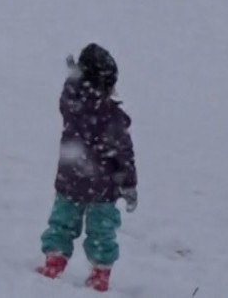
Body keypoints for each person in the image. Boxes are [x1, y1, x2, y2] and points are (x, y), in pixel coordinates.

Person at [36, 44, 138, 294]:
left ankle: (55, 261)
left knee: (62, 223)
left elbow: (70, 94)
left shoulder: (73, 104)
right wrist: (129, 185)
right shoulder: (112, 116)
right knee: (102, 231)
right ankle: (101, 273)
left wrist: (75, 78)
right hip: (102, 189)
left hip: (70, 180)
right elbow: (123, 155)